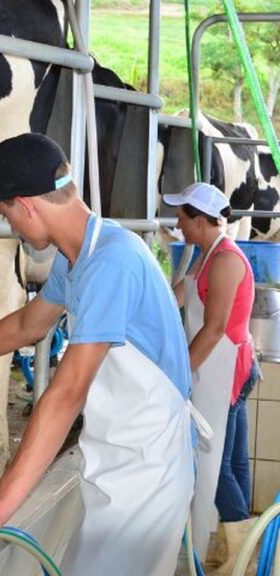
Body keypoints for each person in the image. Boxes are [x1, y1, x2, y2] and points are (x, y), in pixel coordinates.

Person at [0, 133, 195, 576]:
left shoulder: (111, 264)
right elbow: (29, 324)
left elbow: (66, 396)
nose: (9, 227)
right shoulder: (77, 256)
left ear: (26, 205)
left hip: (145, 468)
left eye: (5, 214)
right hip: (113, 454)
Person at [165, 182, 258, 574]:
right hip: (222, 369)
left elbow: (215, 327)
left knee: (216, 466)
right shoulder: (204, 256)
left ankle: (238, 551)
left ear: (199, 220)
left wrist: (179, 377)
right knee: (233, 463)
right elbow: (178, 297)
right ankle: (237, 548)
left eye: (182, 218)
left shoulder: (225, 261)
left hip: (228, 371)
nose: (178, 225)